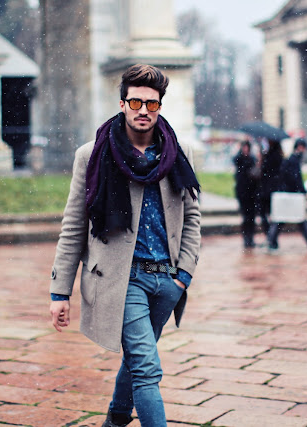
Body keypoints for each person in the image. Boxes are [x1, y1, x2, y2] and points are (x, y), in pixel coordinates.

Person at [48, 64, 201, 427]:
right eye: (135, 102)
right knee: (147, 367)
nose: (143, 110)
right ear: (122, 104)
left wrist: (183, 274)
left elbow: (192, 217)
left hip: (168, 281)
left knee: (136, 360)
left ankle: (116, 419)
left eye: (151, 103)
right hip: (121, 280)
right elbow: (74, 226)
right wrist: (59, 292)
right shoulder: (93, 155)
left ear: (159, 106)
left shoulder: (178, 152)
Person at [267, 138, 307, 251]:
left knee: (283, 219)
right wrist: (304, 191)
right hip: (291, 195)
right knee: (297, 219)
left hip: (288, 193)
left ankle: (272, 241)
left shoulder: (292, 159)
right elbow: (296, 178)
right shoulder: (294, 160)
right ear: (300, 147)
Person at [233, 140, 261, 248]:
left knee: (252, 217)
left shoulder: (253, 159)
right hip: (243, 192)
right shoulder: (239, 159)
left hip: (252, 192)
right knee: (245, 216)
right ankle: (246, 238)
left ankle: (251, 238)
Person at [259, 139, 283, 235]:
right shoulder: (279, 156)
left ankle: (270, 235)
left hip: (267, 190)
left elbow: (264, 170)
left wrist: (262, 158)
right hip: (274, 189)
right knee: (273, 214)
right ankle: (272, 236)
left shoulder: (269, 156)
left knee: (265, 213)